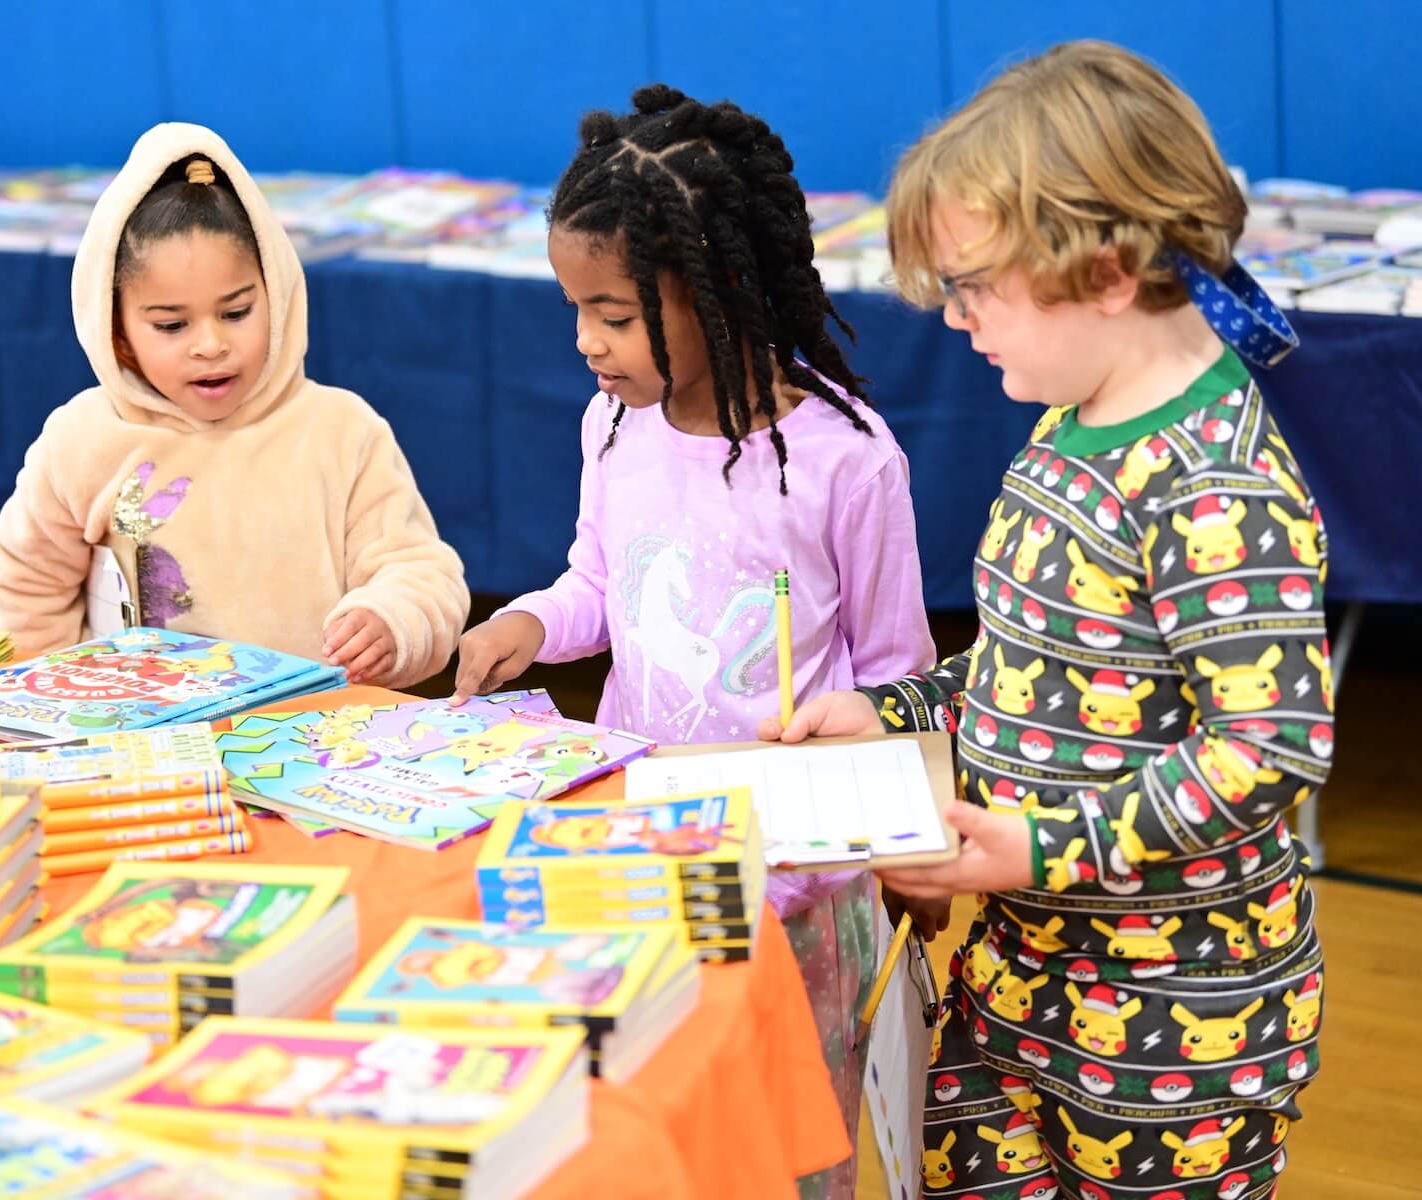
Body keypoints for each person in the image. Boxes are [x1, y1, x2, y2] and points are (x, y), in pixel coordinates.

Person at [764, 42, 1330, 1199]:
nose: (959, 321)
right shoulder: (1074, 420)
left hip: (1175, 1031)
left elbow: (1269, 746)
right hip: (1023, 983)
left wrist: (1045, 847)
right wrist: (891, 712)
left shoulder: (1216, 485)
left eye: (975, 288)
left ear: (1110, 273)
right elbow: (1039, 669)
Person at [453, 85, 934, 1198]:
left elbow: (899, 681)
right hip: (638, 855)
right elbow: (598, 582)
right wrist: (530, 622)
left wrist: (910, 864)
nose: (587, 343)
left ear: (721, 290)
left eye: (616, 316)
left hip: (801, 890)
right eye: (576, 311)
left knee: (794, 1145)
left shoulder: (847, 460)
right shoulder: (612, 423)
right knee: (658, 1121)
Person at [0, 123, 468, 687]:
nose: (210, 344)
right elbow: (28, 579)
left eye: (236, 312)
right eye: (171, 324)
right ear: (117, 333)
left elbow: (420, 571)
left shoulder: (342, 431)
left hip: (318, 749)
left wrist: (393, 622)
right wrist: (66, 699)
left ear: (277, 295)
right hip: (151, 750)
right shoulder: (82, 439)